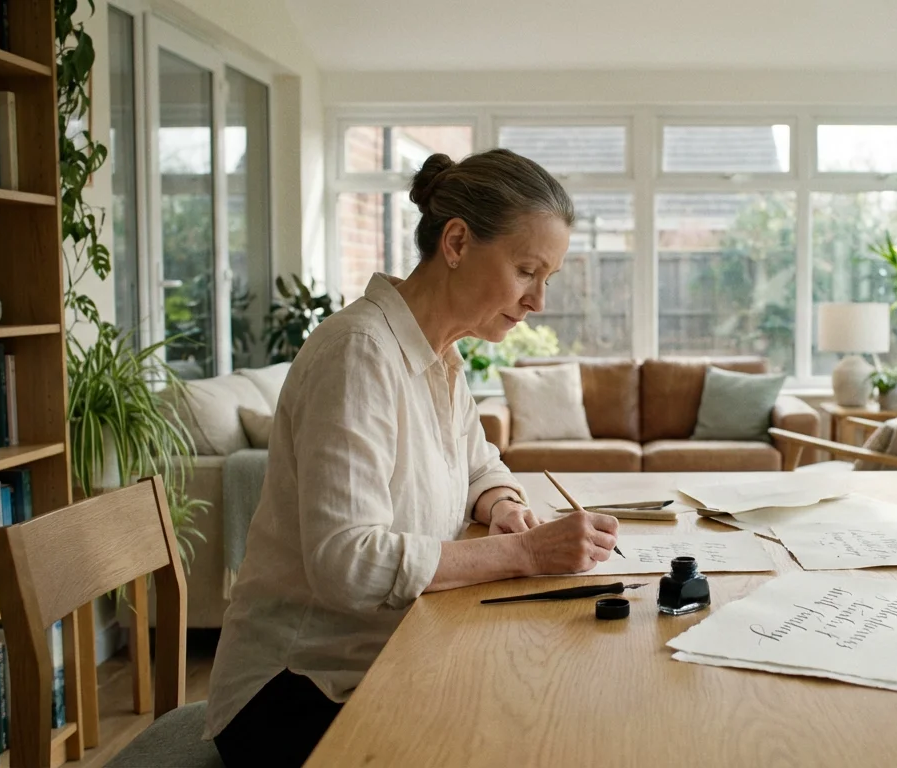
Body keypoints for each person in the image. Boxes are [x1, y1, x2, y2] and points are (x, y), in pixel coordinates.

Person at [204, 149, 620, 767]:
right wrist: (525, 553)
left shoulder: (441, 354)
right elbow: (345, 563)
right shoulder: (360, 355)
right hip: (295, 692)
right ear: (456, 241)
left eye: (547, 278)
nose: (538, 301)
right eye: (527, 270)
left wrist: (502, 504)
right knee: (539, 731)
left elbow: (483, 464)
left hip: (390, 656)